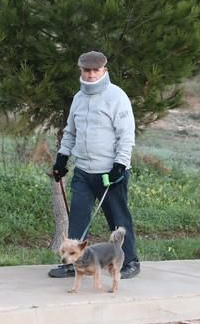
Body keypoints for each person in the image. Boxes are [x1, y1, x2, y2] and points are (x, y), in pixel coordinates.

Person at [49, 50, 141, 279]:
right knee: (78, 218)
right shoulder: (78, 98)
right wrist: (62, 158)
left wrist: (119, 165)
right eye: (86, 70)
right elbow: (70, 132)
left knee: (118, 219)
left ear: (104, 71)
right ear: (81, 71)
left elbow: (126, 135)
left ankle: (130, 261)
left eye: (95, 70)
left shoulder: (117, 96)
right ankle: (74, 263)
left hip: (109, 173)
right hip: (83, 171)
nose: (91, 75)